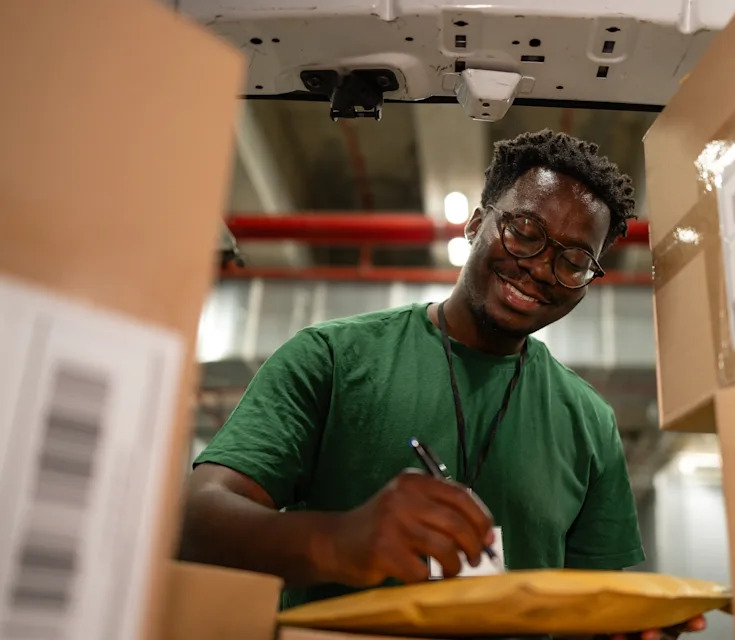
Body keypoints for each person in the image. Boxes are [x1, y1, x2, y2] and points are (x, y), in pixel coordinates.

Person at [180, 130, 706, 639]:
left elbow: (589, 603)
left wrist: (625, 628)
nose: (542, 268)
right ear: (476, 224)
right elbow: (194, 518)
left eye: (572, 261)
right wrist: (338, 542)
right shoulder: (334, 359)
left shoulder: (590, 421)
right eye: (524, 231)